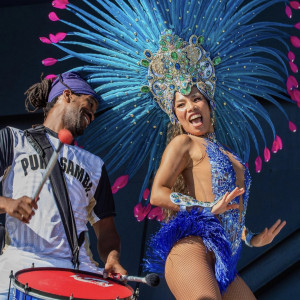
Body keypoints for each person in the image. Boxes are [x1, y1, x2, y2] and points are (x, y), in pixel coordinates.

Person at [40, 0, 299, 298]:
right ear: (175, 114)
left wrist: (252, 239)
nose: (190, 107)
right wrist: (203, 208)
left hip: (224, 259)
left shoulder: (232, 156)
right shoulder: (183, 142)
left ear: (210, 103)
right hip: (191, 249)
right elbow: (158, 193)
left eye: (196, 99)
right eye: (181, 104)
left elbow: (230, 212)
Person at [0, 72, 127, 298]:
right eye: (89, 103)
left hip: (77, 276)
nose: (93, 114)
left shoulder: (94, 164)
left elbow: (106, 230)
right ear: (66, 95)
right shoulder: (13, 140)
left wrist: (112, 257)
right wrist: (8, 203)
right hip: (23, 270)